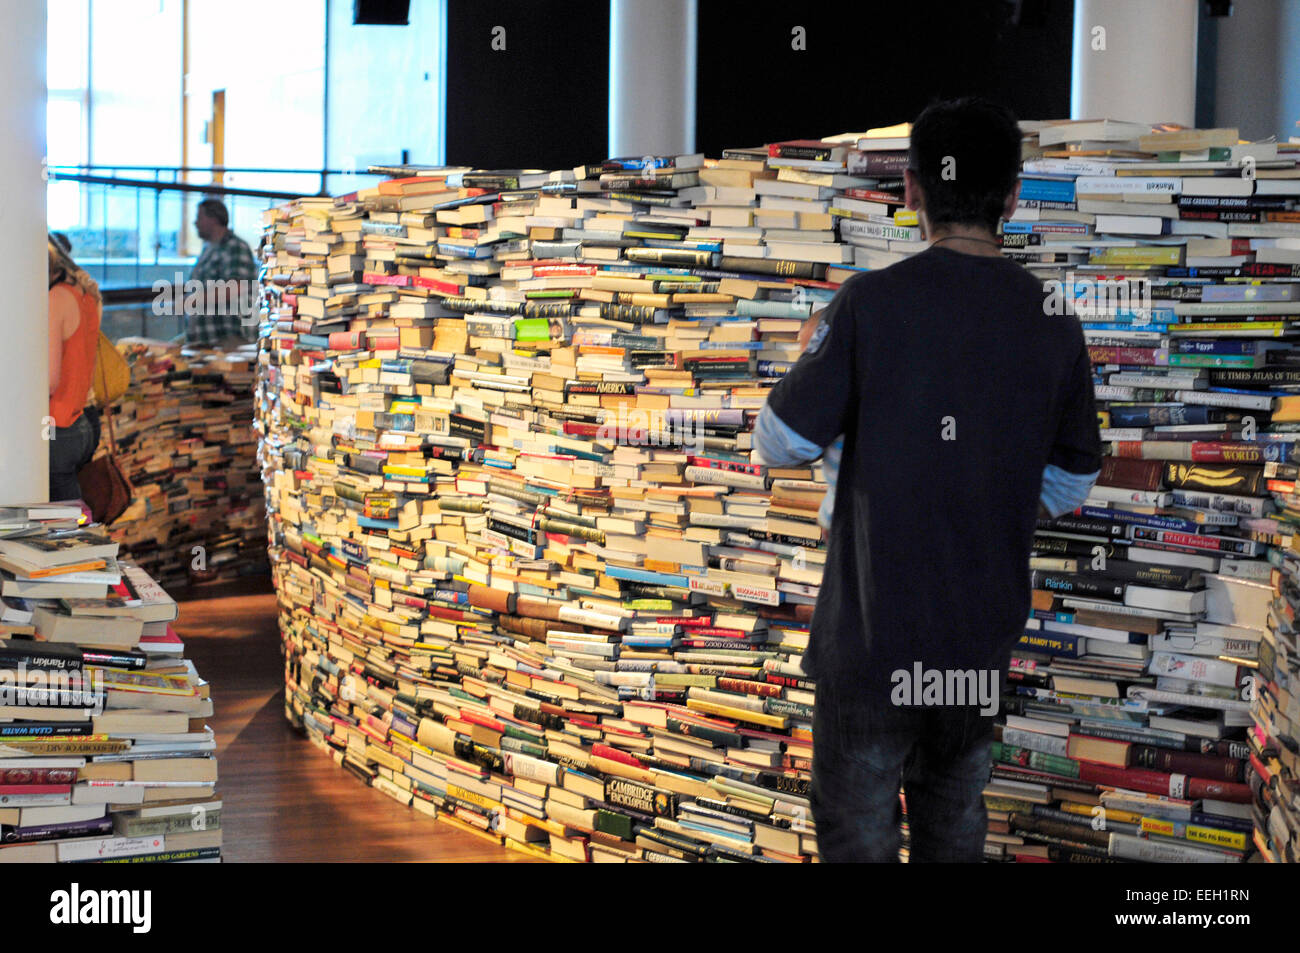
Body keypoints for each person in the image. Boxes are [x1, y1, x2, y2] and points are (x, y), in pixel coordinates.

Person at [752, 97, 1103, 862]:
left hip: (870, 645)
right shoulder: (1055, 319)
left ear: (911, 189)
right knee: (953, 828)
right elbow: (1073, 485)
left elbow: (778, 442)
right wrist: (988, 481)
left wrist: (809, 351)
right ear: (1012, 196)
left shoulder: (868, 304)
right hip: (974, 647)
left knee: (860, 835)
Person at [47, 238, 104, 502]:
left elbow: (48, 380)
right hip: (83, 419)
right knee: (70, 517)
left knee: (63, 524)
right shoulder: (85, 294)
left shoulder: (55, 299)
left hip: (60, 425)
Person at [186, 196, 258, 347]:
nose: (195, 223)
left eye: (199, 217)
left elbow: (237, 287)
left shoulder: (235, 247)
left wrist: (193, 300)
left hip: (231, 339)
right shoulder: (209, 249)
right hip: (208, 339)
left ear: (213, 219)